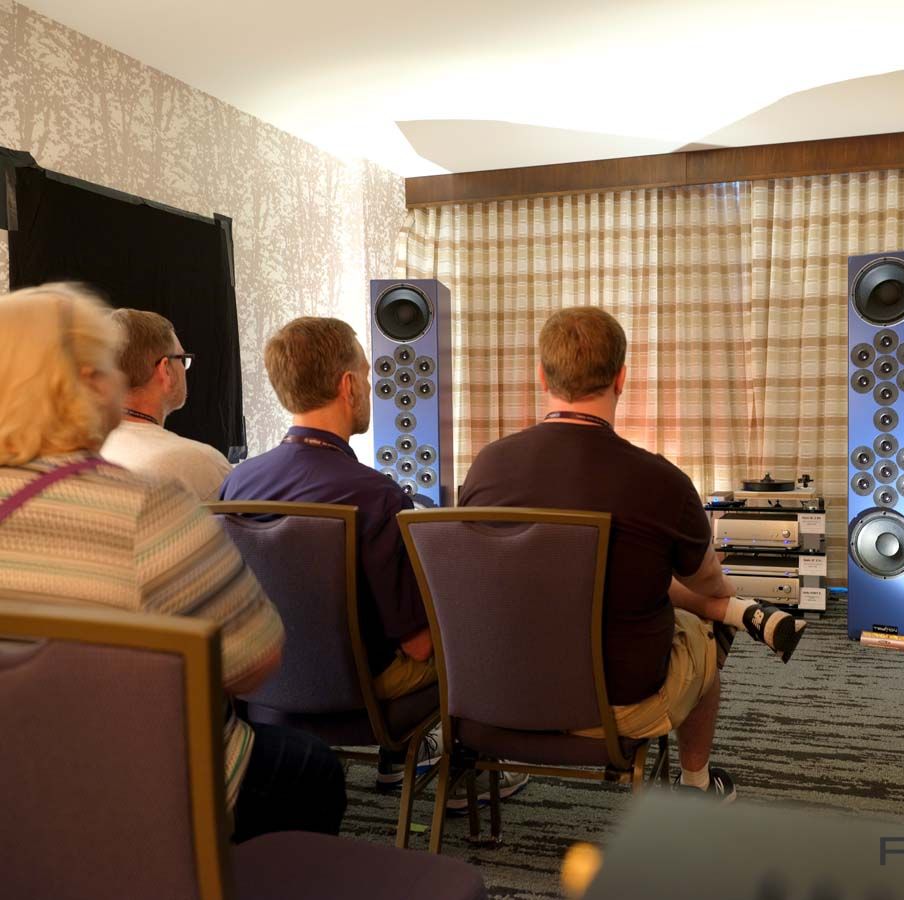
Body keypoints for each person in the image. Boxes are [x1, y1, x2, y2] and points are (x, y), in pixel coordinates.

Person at [0, 283, 346, 843]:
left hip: (20, 789)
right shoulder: (146, 503)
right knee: (313, 769)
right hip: (136, 783)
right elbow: (255, 660)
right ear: (85, 383)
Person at [458, 306, 806, 801]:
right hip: (615, 706)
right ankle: (696, 784)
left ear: (542, 377)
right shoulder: (661, 482)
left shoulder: (487, 465)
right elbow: (709, 583)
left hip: (496, 692)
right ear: (622, 378)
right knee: (700, 632)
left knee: (631, 578)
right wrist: (724, 602)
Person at [219, 316, 528, 805]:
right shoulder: (375, 496)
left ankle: (398, 761)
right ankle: (455, 775)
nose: (368, 386)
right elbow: (419, 646)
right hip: (362, 692)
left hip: (264, 683)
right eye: (366, 374)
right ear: (348, 386)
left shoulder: (236, 484)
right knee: (463, 640)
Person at [100, 308, 232, 500]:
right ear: (166, 371)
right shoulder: (199, 462)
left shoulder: (78, 454)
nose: (185, 369)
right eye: (182, 359)